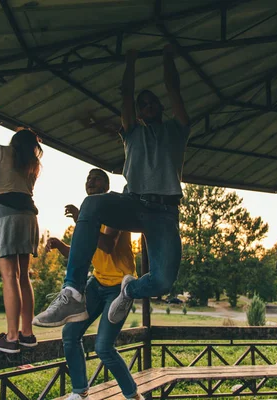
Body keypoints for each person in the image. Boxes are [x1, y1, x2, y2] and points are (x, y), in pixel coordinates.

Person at [34, 44, 189, 327]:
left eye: (153, 101)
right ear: (139, 113)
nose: (148, 106)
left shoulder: (177, 130)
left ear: (161, 106)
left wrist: (167, 57)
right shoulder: (131, 132)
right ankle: (72, 292)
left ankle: (129, 289)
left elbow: (174, 89)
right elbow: (126, 95)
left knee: (163, 281)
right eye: (143, 104)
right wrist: (131, 60)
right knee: (92, 203)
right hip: (133, 203)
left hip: (165, 214)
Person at [46, 168, 142, 400]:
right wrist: (60, 245)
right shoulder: (87, 219)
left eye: (96, 177)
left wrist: (82, 220)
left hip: (120, 288)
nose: (91, 180)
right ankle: (80, 391)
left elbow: (107, 243)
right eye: (88, 178)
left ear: (106, 186)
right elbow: (80, 253)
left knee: (103, 347)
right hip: (97, 283)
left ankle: (132, 395)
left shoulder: (113, 209)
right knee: (70, 333)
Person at [0, 128, 43, 352]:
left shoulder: (0, 152)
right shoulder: (32, 165)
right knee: (23, 276)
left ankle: (12, 338)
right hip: (28, 215)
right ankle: (27, 333)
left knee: (9, 276)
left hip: (5, 213)